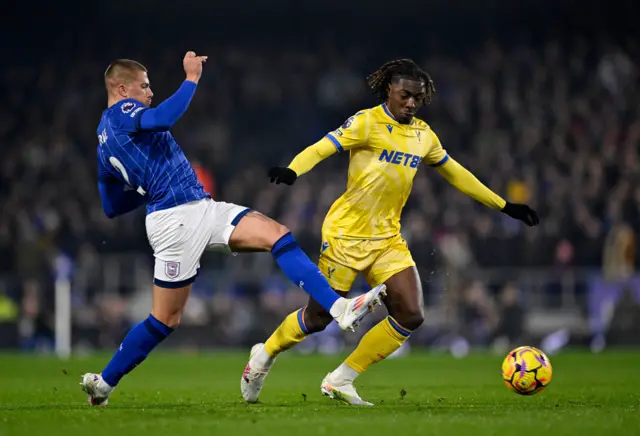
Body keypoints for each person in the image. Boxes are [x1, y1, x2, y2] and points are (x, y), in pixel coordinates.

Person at [81, 51, 386, 406]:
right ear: (121, 88)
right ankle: (105, 381)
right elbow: (163, 117)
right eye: (145, 86)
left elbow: (111, 206)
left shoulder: (103, 142)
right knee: (166, 318)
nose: (150, 93)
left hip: (196, 209)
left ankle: (339, 308)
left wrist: (146, 187)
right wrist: (191, 77)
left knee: (277, 234)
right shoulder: (122, 112)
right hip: (176, 220)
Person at [241, 58, 539, 406]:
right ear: (390, 90)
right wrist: (294, 170)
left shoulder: (423, 135)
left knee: (411, 313)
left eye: (418, 97)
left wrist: (503, 205)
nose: (411, 103)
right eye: (405, 95)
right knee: (318, 318)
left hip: (387, 238)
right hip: (345, 235)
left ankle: (341, 379)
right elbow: (324, 145)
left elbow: (456, 173)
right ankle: (263, 355)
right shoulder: (366, 122)